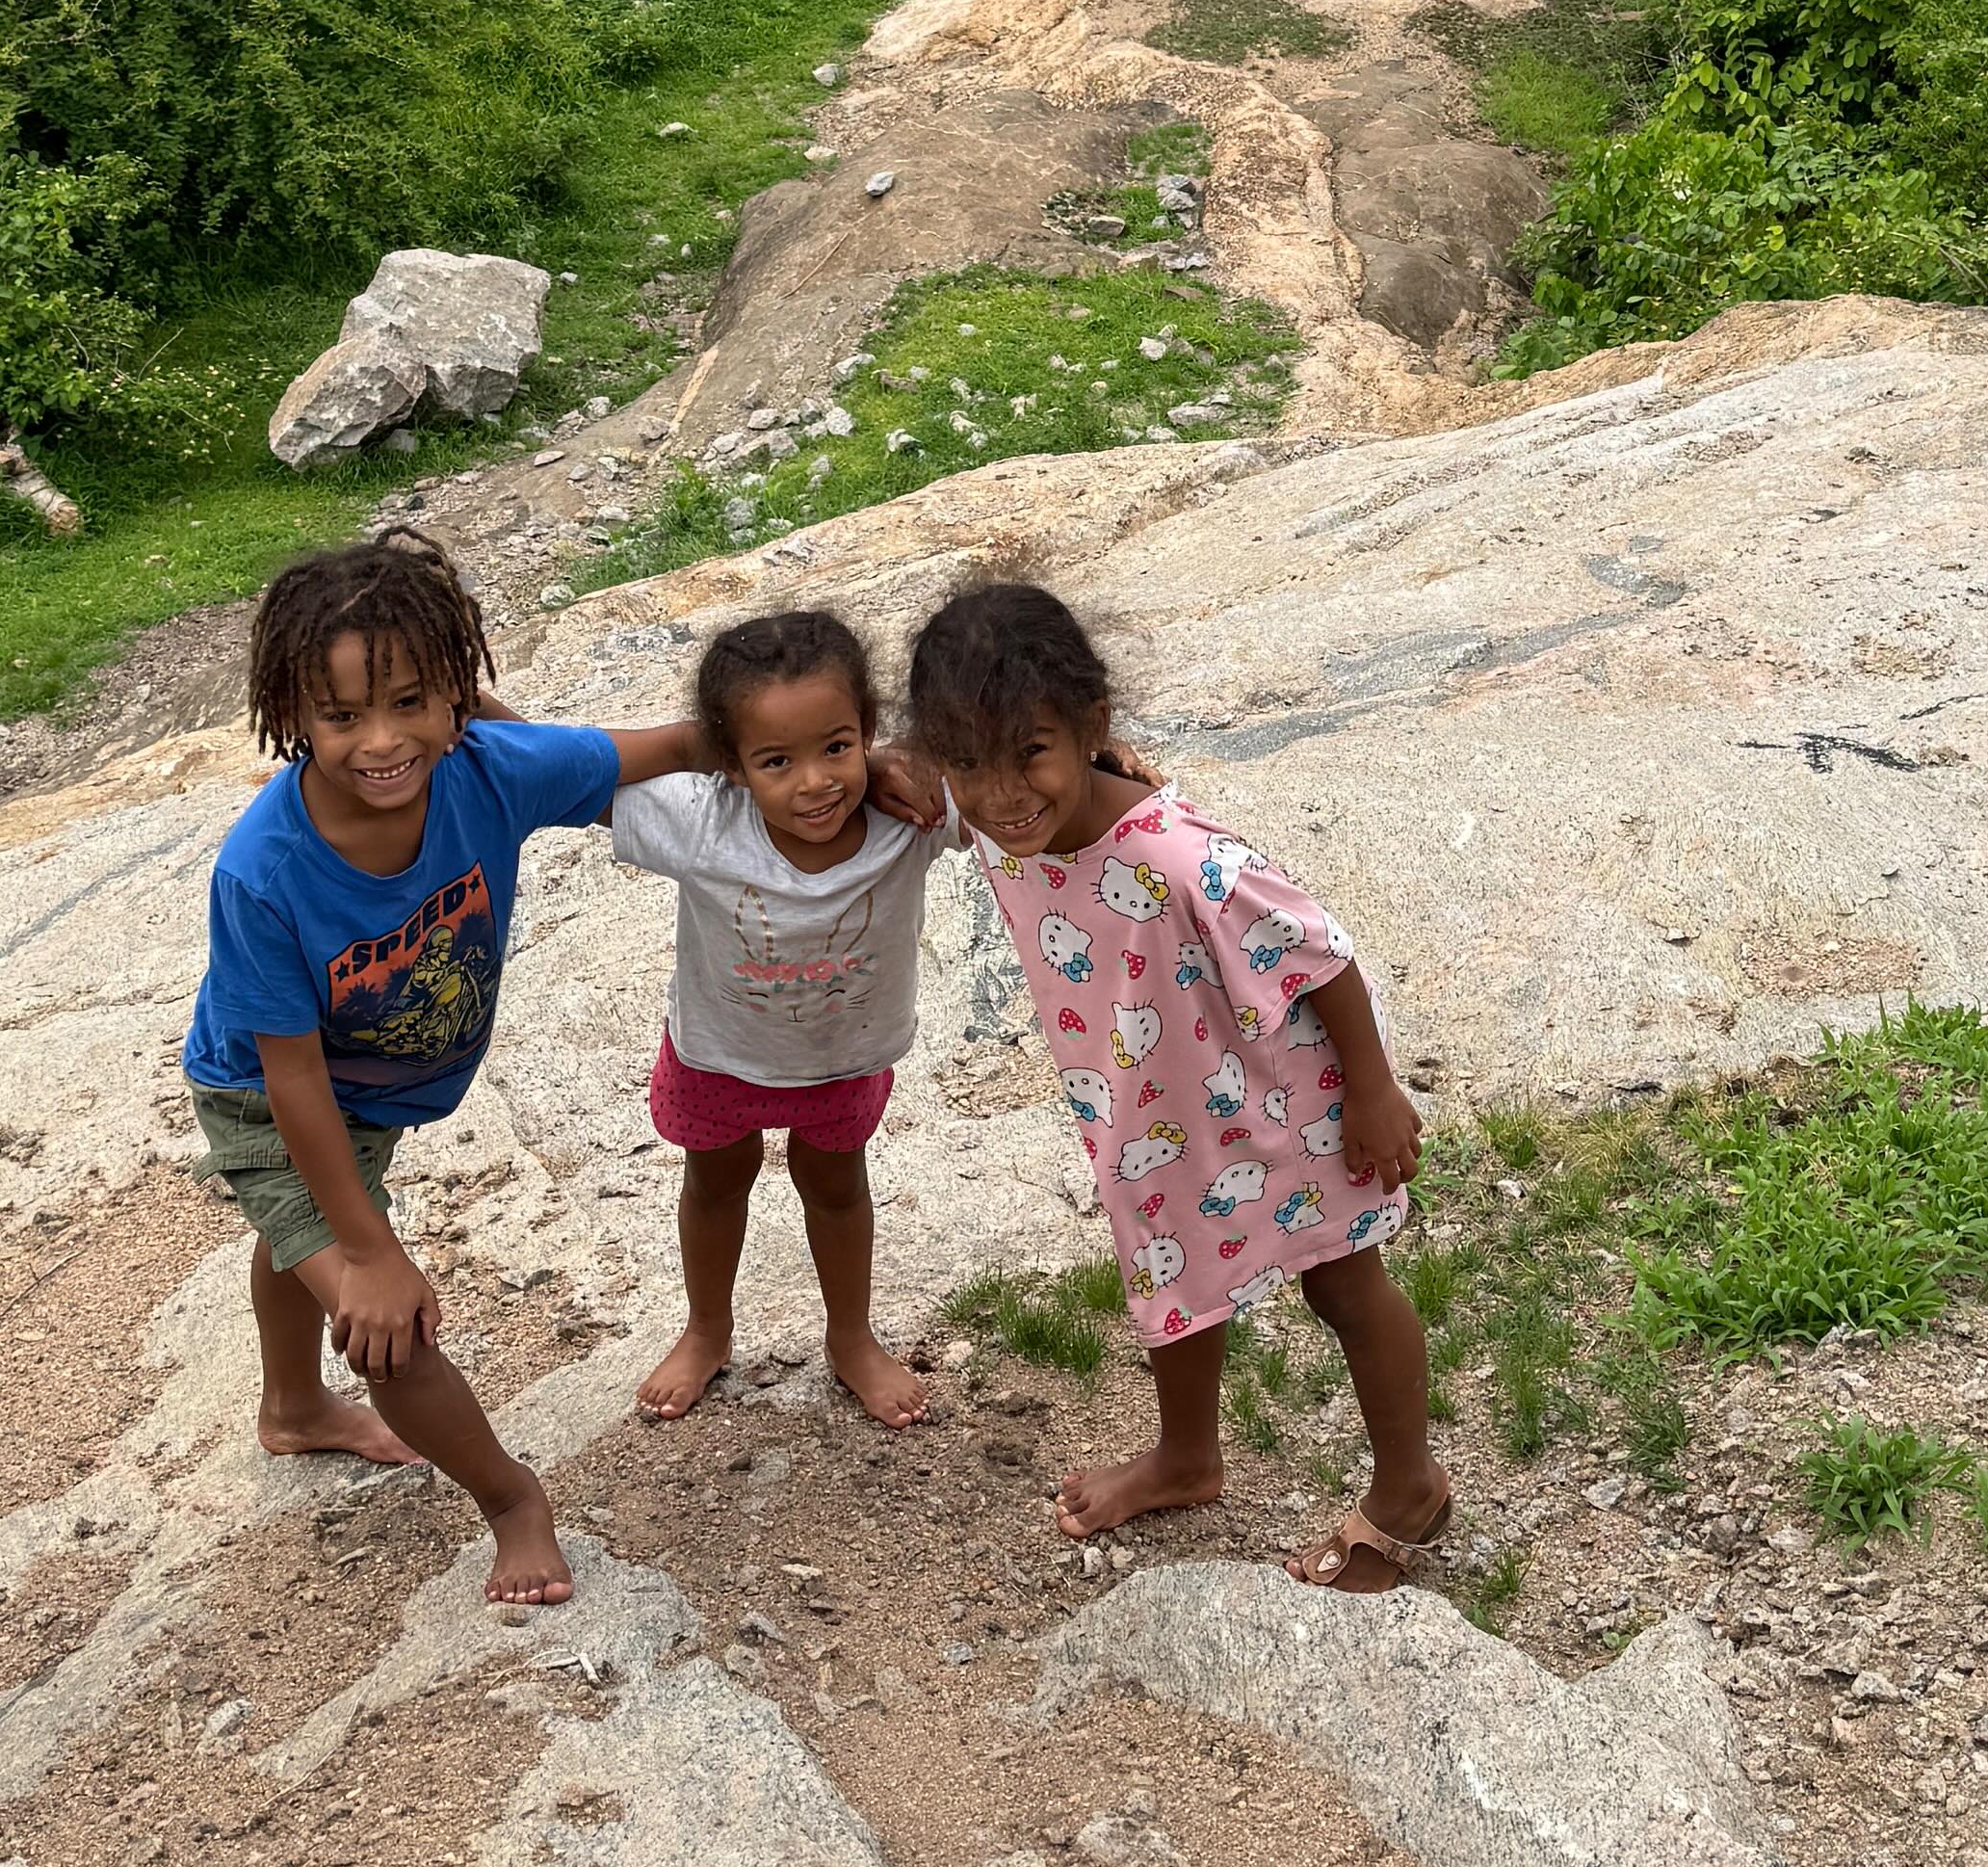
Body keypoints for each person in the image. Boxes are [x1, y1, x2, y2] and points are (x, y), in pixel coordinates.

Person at [184, 527, 707, 1612]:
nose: (381, 741)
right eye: (339, 717)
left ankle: (292, 1410)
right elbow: (291, 1084)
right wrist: (371, 1258)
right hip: (277, 1103)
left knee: (301, 1242)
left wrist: (861, 752)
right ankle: (513, 1500)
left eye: (411, 702)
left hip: (370, 1099)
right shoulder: (264, 871)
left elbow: (679, 746)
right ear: (291, 715)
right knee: (382, 1322)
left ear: (457, 697)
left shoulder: (489, 771)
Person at [904, 576, 1448, 1593]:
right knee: (1171, 1280)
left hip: (1278, 1108)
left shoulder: (1173, 851)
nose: (1004, 793)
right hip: (1149, 1115)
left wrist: (1373, 1092)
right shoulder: (985, 813)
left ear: (1089, 726)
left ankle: (1409, 1488)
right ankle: (1186, 1459)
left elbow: (1317, 950)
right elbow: (913, 773)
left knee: (1345, 1285)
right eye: (968, 764)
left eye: (1031, 752)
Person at [608, 606, 945, 1433]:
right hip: (719, 1058)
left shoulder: (915, 819)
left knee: (835, 1190)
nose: (814, 783)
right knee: (716, 1184)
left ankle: (851, 1337)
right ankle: (708, 1329)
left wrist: (1104, 757)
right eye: (774, 760)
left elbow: (1017, 783)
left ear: (868, 729)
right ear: (728, 762)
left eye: (836, 747)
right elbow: (557, 772)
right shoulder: (700, 819)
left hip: (844, 1061)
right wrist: (457, 710)